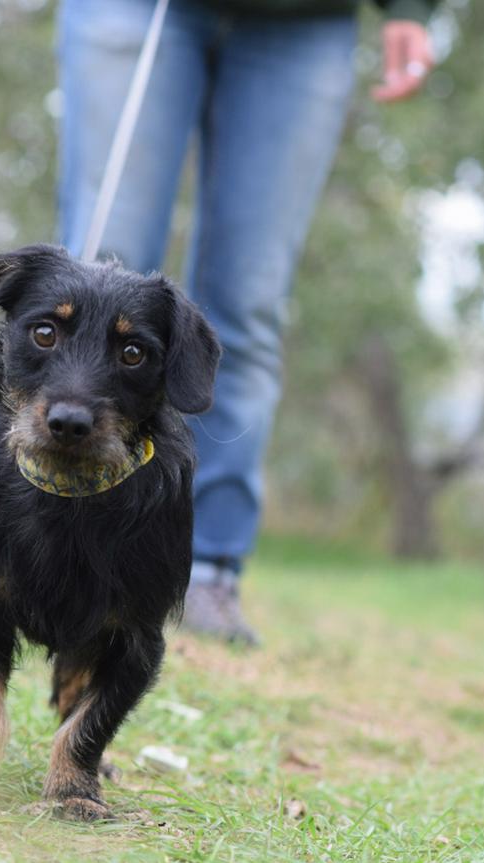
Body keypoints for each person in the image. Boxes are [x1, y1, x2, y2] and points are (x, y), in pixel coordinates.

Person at [57, 0, 437, 644]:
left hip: (304, 24)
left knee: (248, 305)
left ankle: (206, 569)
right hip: (140, 11)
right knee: (99, 267)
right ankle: (59, 545)